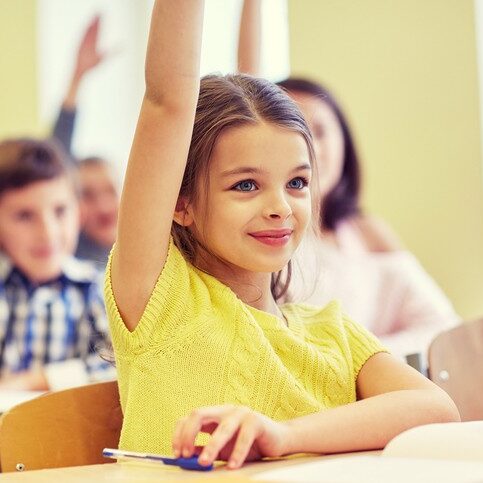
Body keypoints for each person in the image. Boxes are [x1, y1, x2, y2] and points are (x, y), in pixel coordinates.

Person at [105, 0, 459, 470]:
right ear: (180, 203)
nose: (279, 208)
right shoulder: (160, 300)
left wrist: (283, 436)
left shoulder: (332, 332)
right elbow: (166, 101)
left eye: (297, 183)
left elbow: (436, 409)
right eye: (246, 185)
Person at [237, 0, 460, 361]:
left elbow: (444, 327)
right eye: (297, 131)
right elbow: (245, 88)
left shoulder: (365, 231)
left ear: (345, 144)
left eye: (321, 131)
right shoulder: (266, 232)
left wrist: (368, 358)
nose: (308, 147)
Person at [0, 138, 115, 391]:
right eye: (24, 216)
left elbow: (117, 365)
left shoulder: (97, 288)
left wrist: (36, 380)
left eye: (60, 211)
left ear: (79, 212)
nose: (48, 233)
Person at [52, 16, 119, 268]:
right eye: (88, 195)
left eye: (110, 191)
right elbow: (54, 165)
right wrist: (76, 78)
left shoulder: (149, 250)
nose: (103, 206)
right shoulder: (70, 256)